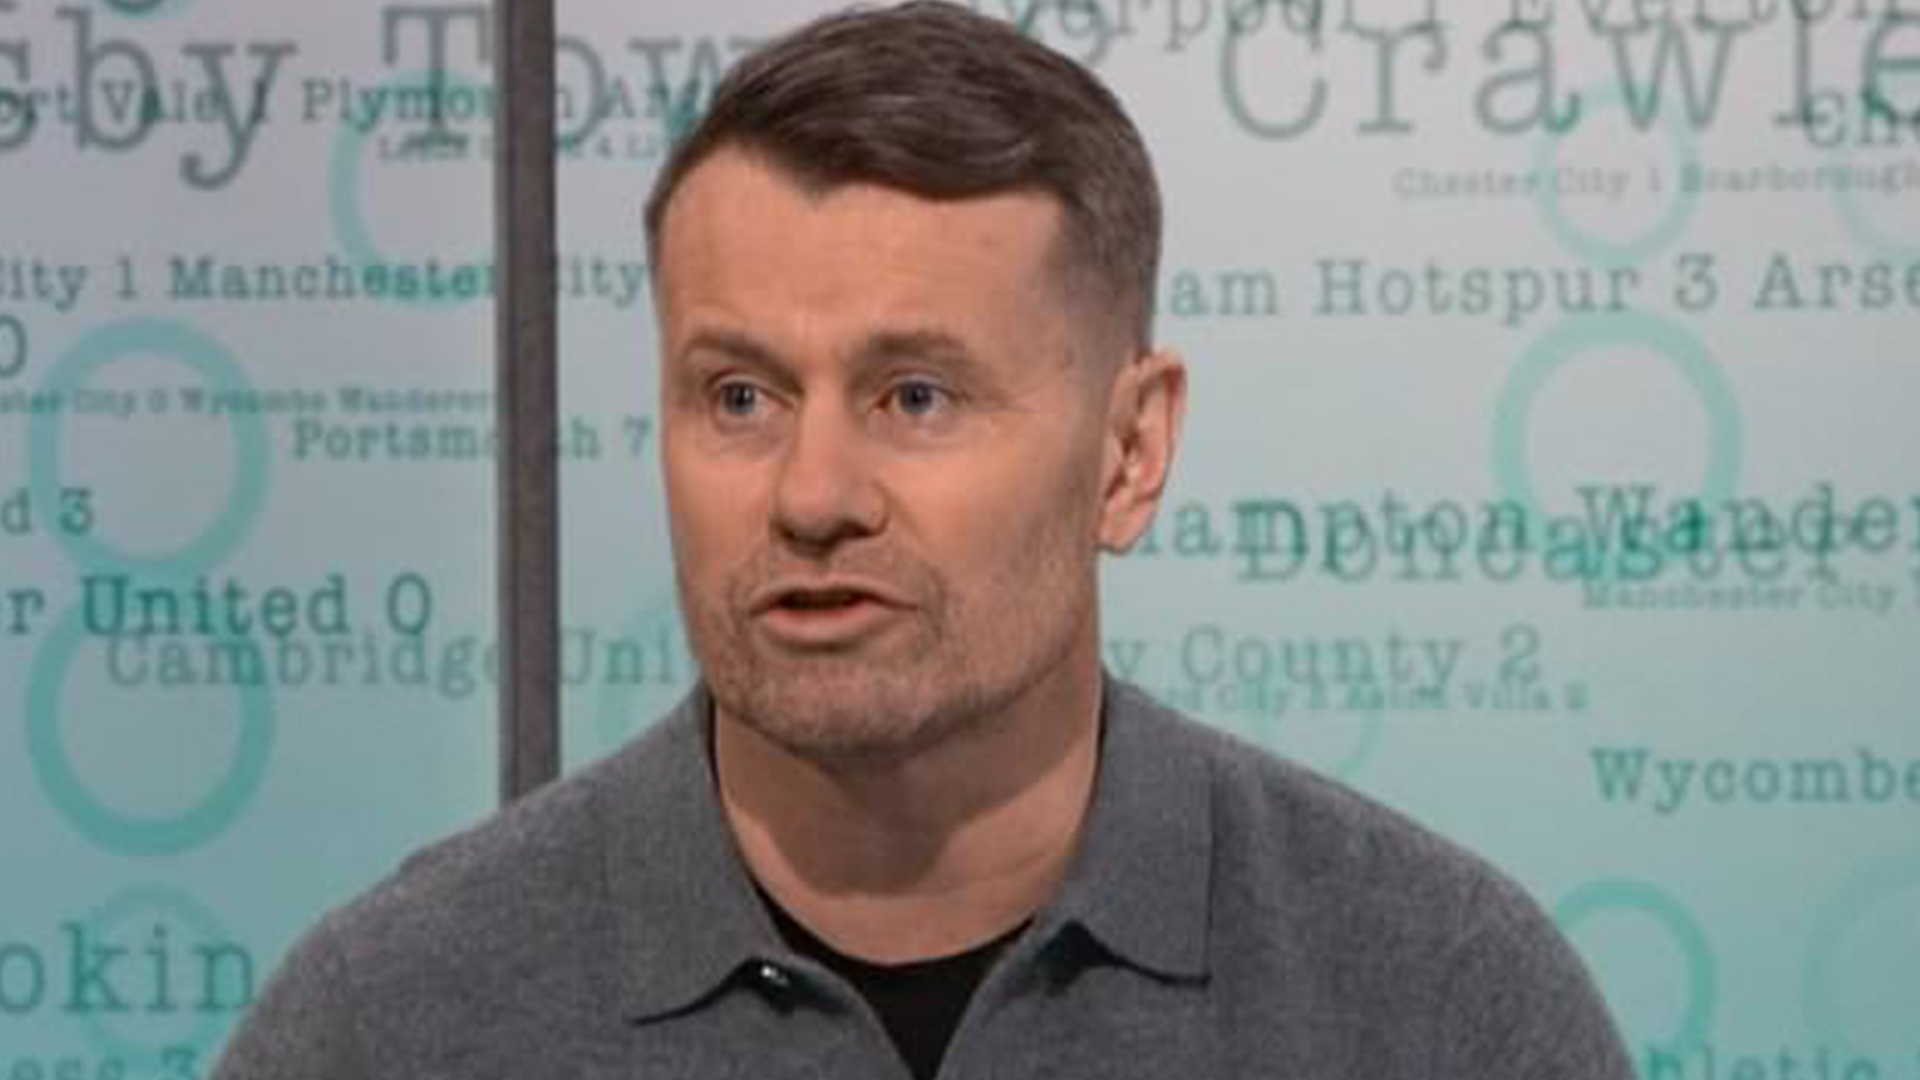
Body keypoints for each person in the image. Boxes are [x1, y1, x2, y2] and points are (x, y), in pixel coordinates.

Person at [213, 3, 1635, 1077]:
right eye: (741, 396)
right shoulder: (390, 1021)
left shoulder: (1441, 1000)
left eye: (915, 396)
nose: (813, 494)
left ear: (1130, 453)